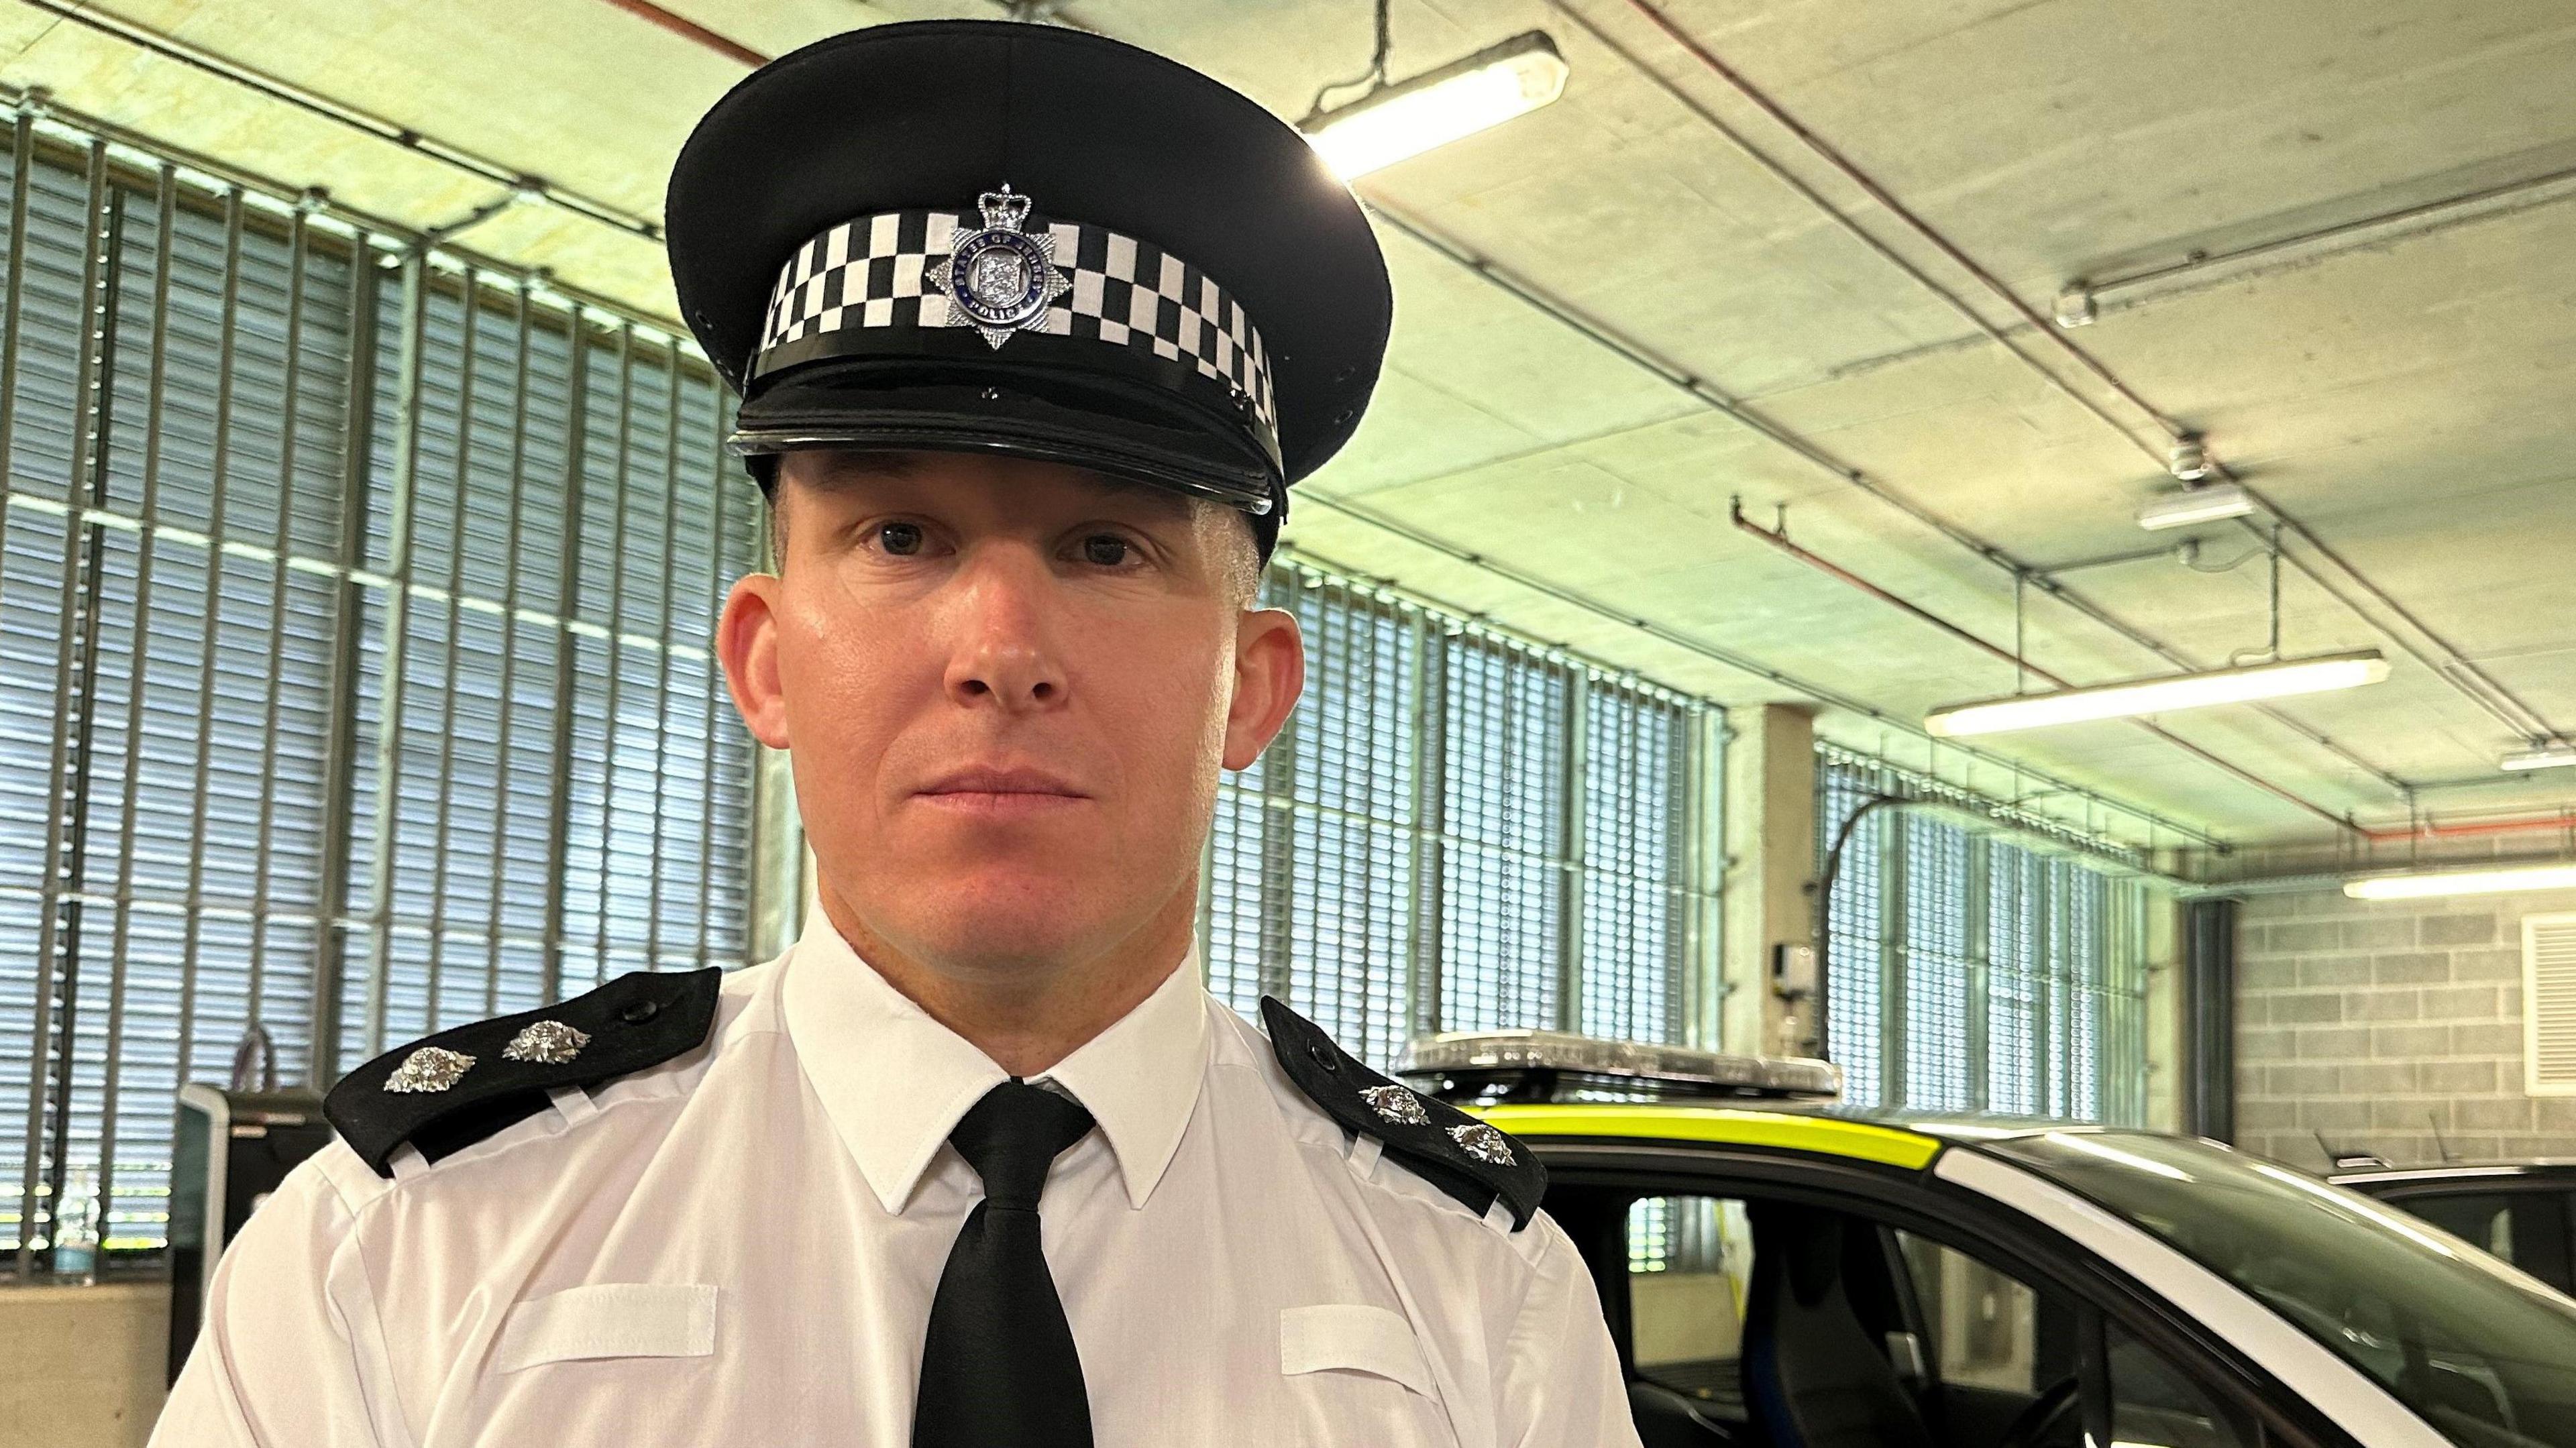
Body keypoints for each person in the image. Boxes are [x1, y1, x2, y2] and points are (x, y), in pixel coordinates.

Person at [151, 19, 1640, 1447]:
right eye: (903, 533)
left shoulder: (1471, 1290)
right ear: (767, 662)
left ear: (1250, 688)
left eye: (1108, 549)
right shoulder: (408, 1247)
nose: (999, 652)